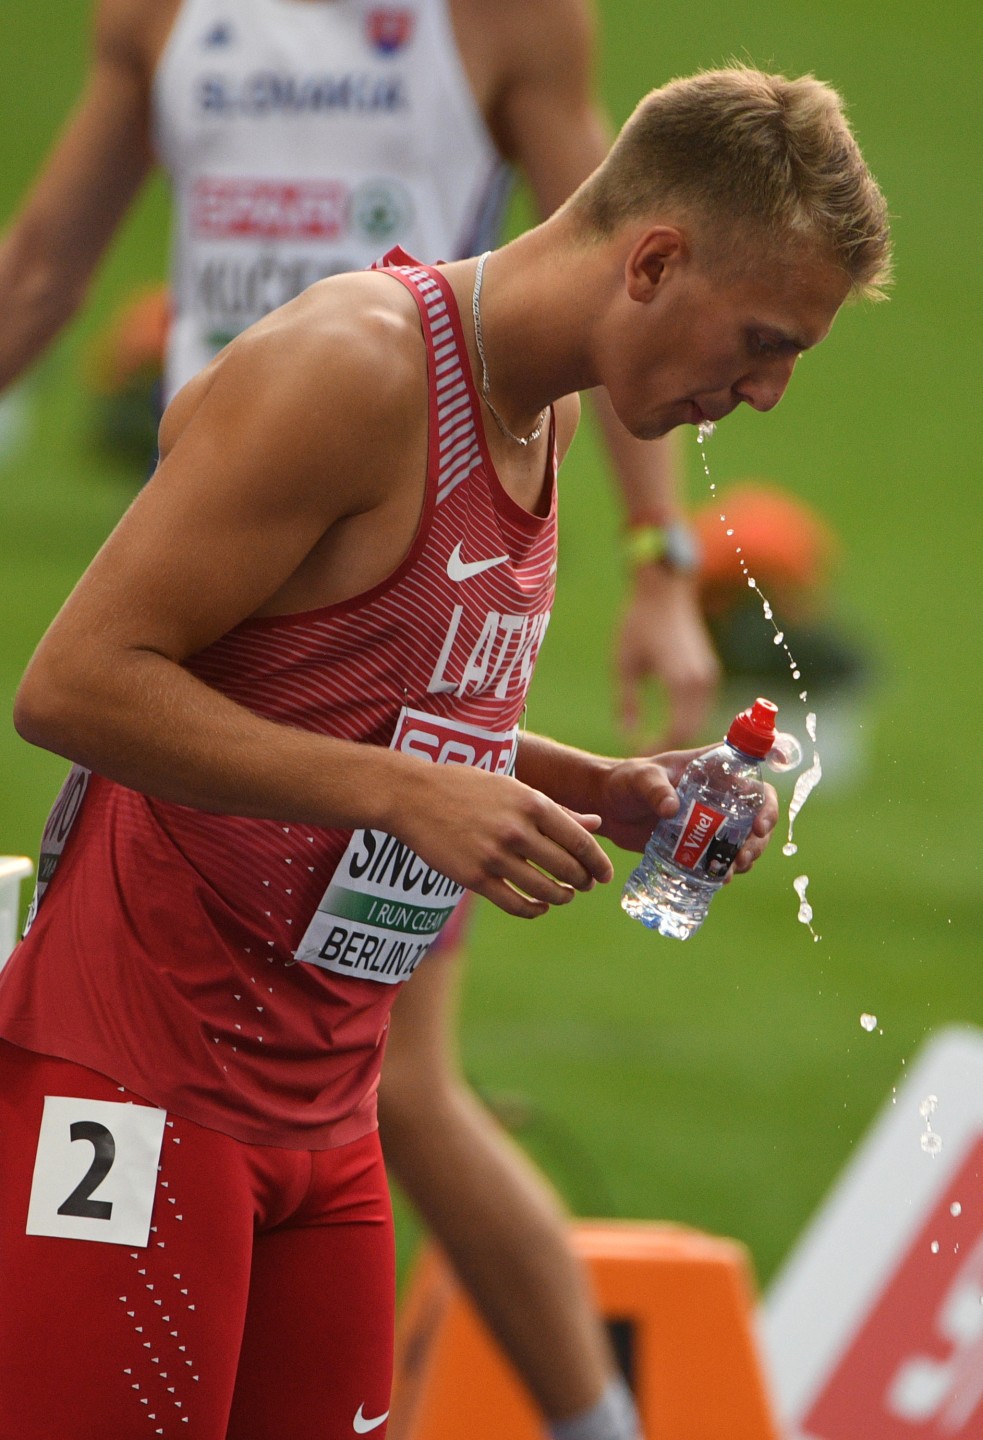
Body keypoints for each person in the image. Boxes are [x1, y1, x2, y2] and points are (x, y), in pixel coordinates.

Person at [0, 63, 889, 1439]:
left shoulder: (543, 412)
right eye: (765, 341)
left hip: (326, 1114)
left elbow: (360, 690)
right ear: (654, 261)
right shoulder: (355, 367)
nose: (767, 393)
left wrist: (595, 788)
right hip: (141, 1082)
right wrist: (403, 793)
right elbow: (74, 685)